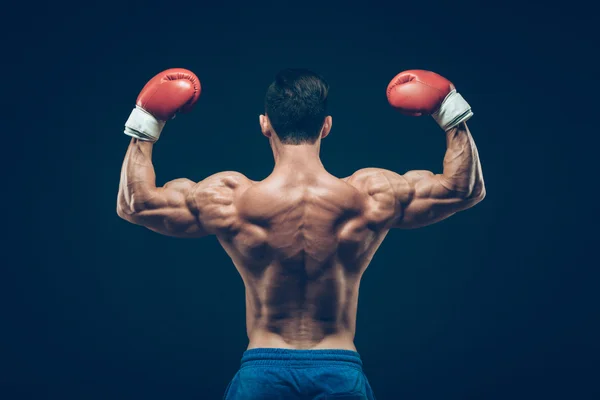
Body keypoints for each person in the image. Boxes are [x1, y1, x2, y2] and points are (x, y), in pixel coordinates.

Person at [117, 67, 485, 399]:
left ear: (265, 124)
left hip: (263, 373)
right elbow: (464, 189)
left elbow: (135, 204)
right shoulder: (373, 195)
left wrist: (147, 120)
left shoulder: (229, 199)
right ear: (326, 125)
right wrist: (449, 110)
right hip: (339, 370)